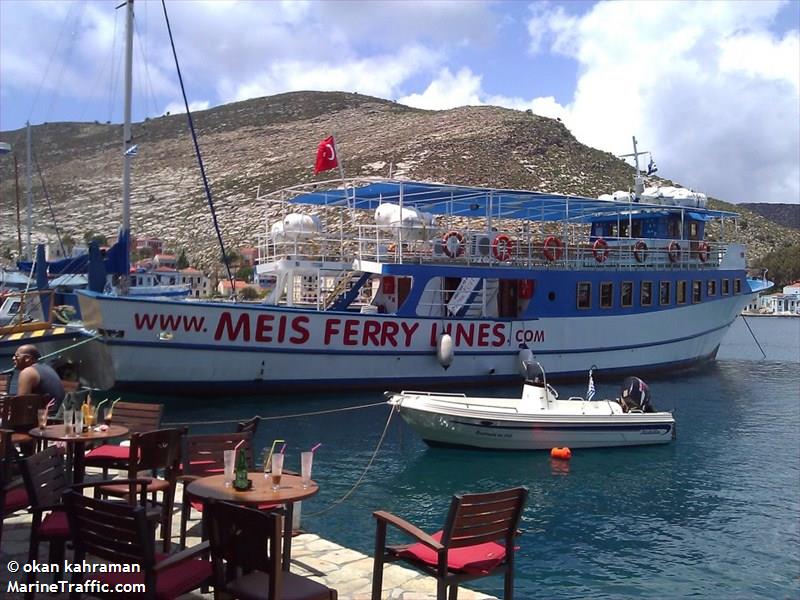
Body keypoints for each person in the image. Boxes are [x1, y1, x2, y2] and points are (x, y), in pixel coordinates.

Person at [12, 344, 66, 410]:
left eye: (16, 356)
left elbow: (21, 405)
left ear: (27, 358)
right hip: (59, 415)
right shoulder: (48, 368)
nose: (13, 358)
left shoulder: (27, 372)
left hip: (45, 417)